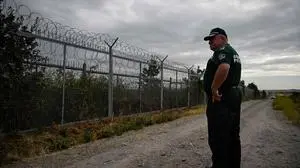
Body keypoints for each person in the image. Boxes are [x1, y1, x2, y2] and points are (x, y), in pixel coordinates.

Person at [203, 27, 242, 168]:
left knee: (218, 137)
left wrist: (214, 89)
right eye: (209, 40)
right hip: (232, 96)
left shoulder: (223, 50)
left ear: (222, 38)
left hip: (221, 98)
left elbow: (224, 67)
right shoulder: (233, 52)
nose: (210, 43)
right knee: (232, 136)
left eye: (212, 39)